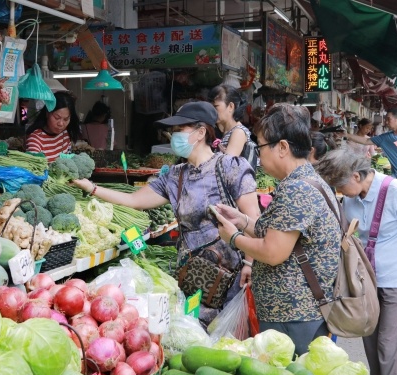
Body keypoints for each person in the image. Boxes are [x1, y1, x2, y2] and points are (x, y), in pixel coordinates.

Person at [72, 102, 259, 326]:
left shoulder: (230, 167)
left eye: (180, 130)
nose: (173, 136)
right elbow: (134, 200)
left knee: (228, 342)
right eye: (173, 131)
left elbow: (253, 220)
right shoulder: (175, 176)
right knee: (195, 338)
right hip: (193, 278)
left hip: (231, 276)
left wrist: (250, 263)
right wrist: (91, 188)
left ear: (201, 133)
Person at [214, 104, 342, 356]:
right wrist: (242, 220)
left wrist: (234, 238)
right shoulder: (306, 181)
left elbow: (273, 252)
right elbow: (280, 235)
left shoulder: (297, 190)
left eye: (260, 146)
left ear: (282, 147)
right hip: (299, 313)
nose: (258, 157)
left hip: (294, 316)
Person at [315, 149, 397, 375]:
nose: (339, 191)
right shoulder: (350, 199)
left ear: (356, 176)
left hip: (396, 280)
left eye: (339, 184)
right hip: (365, 281)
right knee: (370, 340)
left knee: (389, 344)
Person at [344, 109, 397, 176]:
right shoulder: (385, 137)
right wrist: (346, 135)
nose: (386, 122)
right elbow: (366, 141)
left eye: (388, 119)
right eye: (385, 119)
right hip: (394, 176)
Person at [208, 84, 257, 170]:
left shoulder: (238, 132)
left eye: (215, 107)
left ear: (231, 106)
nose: (212, 111)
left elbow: (226, 167)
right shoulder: (225, 131)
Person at [26, 91, 81, 162]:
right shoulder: (35, 139)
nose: (61, 123)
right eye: (57, 117)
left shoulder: (65, 134)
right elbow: (34, 168)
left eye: (66, 119)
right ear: (47, 113)